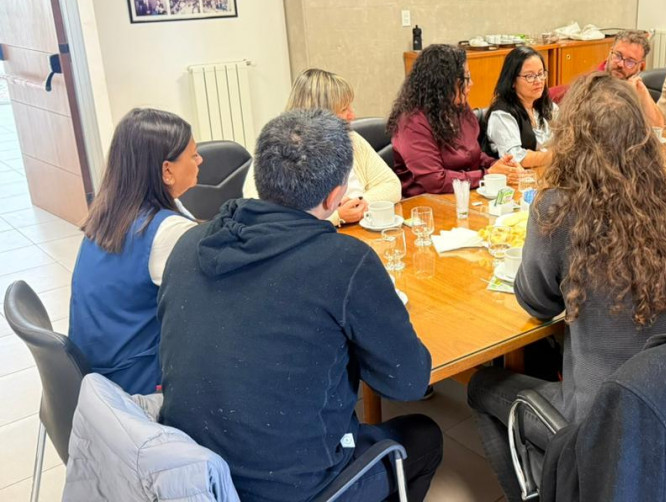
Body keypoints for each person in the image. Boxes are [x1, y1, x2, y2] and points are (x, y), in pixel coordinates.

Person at [158, 110, 442, 502]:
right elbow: (408, 381)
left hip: (193, 476)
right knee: (425, 437)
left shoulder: (188, 243)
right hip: (295, 489)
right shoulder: (344, 261)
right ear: (334, 196)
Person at [468, 73, 666, 502]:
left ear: (570, 138)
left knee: (481, 386)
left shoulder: (558, 207)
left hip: (603, 421)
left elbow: (537, 303)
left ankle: (550, 489)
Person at [69, 109, 200, 395]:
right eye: (193, 155)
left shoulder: (109, 214)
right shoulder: (165, 231)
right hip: (137, 389)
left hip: (98, 379)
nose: (200, 160)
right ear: (167, 171)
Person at [388, 44, 521, 196]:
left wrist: (498, 165)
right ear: (443, 83)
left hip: (464, 193)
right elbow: (434, 180)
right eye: (466, 78)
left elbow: (472, 154)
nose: (471, 84)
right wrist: (487, 174)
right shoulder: (412, 122)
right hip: (425, 204)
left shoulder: (458, 107)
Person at [285, 68, 401, 225]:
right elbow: (280, 223)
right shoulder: (278, 154)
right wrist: (337, 216)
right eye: (344, 109)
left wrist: (360, 203)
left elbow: (392, 185)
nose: (352, 116)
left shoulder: (351, 139)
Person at [547, 29, 664, 126]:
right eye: (618, 56)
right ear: (610, 53)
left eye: (630, 61)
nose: (620, 64)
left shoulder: (635, 85)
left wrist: (642, 91)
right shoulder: (593, 83)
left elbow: (658, 127)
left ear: (641, 66)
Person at [482, 46, 557, 167]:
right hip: (513, 181)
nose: (538, 80)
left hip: (543, 173)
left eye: (541, 73)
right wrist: (556, 155)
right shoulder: (502, 115)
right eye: (530, 76)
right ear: (512, 81)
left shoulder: (547, 106)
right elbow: (516, 159)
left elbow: (567, 140)